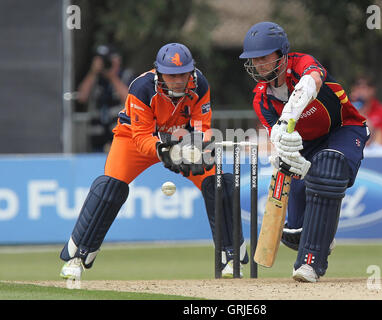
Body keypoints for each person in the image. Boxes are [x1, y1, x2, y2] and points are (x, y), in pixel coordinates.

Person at [59, 43, 248, 280]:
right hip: (135, 140)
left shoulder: (200, 84)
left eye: (183, 73)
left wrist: (198, 147)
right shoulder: (141, 87)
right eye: (172, 74)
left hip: (183, 139)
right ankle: (77, 257)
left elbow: (203, 128)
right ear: (159, 72)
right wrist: (165, 151)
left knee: (218, 181)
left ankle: (231, 257)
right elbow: (140, 137)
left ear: (192, 71)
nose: (178, 80)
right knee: (109, 188)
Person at [239, 22, 369, 282]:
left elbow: (312, 82)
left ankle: (310, 264)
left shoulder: (302, 64)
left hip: (343, 128)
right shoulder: (261, 98)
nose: (259, 64)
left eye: (264, 57)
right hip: (305, 144)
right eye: (254, 60)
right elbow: (277, 133)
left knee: (327, 169)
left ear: (282, 52)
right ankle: (319, 236)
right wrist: (282, 151)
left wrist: (288, 115)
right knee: (295, 233)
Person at [77, 45, 135, 152]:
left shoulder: (125, 76)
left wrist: (112, 77)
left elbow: (130, 100)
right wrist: (93, 72)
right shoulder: (94, 78)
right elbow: (81, 97)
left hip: (121, 136)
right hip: (97, 138)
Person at [349, 75, 382, 146]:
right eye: (357, 87)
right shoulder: (346, 108)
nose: (359, 91)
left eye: (363, 87)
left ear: (372, 90)